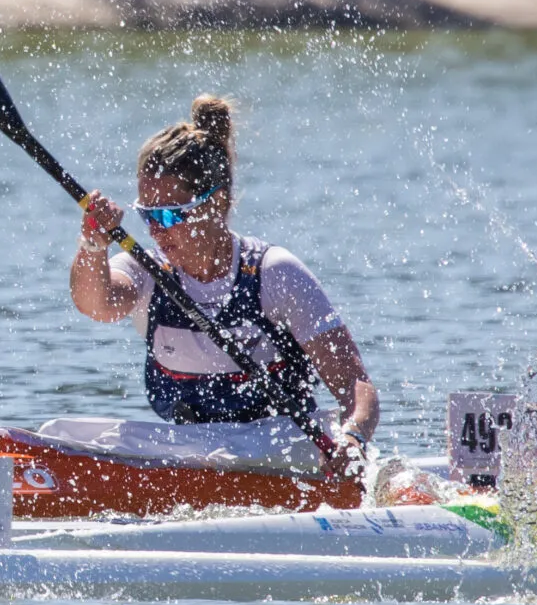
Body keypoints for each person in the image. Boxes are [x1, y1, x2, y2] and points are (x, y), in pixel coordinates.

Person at [70, 96, 379, 454]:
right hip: (191, 451)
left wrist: (352, 439)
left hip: (282, 453)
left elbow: (355, 385)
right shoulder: (148, 272)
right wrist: (93, 244)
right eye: (148, 215)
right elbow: (96, 305)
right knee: (64, 430)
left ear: (216, 203)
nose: (156, 231)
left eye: (170, 215)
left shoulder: (275, 274)